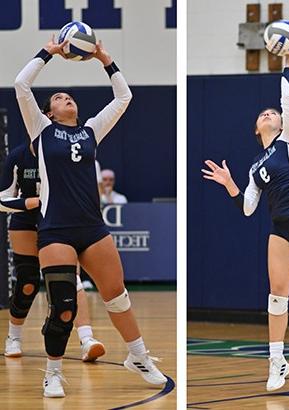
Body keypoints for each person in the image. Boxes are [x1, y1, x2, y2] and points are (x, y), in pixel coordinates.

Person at [15, 37, 166, 398]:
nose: (66, 99)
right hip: (55, 231)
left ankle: (138, 357)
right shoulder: (42, 130)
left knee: (118, 297)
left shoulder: (92, 130)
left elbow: (124, 98)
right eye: (58, 98)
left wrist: (105, 58)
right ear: (49, 112)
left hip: (93, 230)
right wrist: (48, 52)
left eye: (69, 97)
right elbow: (22, 84)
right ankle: (52, 372)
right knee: (64, 307)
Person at [202, 37, 289, 392]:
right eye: (262, 114)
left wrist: (288, 61)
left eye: (273, 114)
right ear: (256, 128)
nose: (269, 114)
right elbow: (249, 209)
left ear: (281, 124)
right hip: (280, 229)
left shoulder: (288, 141)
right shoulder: (254, 167)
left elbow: (288, 100)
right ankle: (277, 360)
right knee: (277, 295)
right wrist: (231, 184)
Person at [1, 143, 106, 362]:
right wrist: (29, 202)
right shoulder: (18, 156)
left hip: (59, 221)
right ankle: (14, 336)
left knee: (71, 279)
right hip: (27, 220)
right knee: (28, 283)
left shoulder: (64, 152)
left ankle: (87, 339)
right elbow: (2, 199)